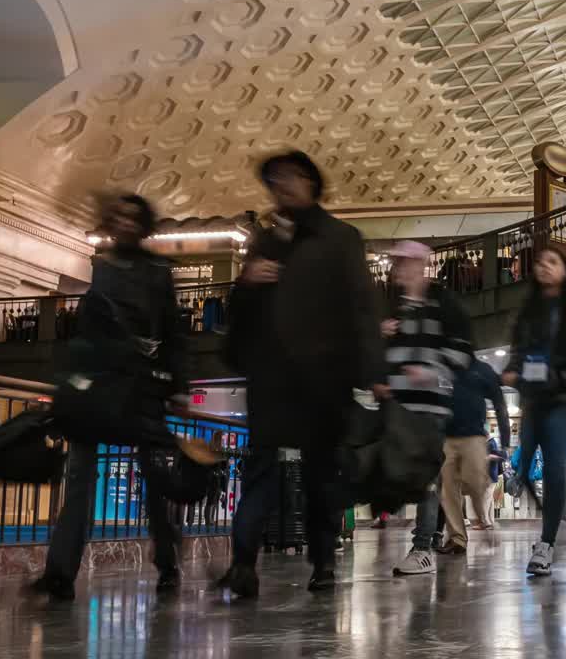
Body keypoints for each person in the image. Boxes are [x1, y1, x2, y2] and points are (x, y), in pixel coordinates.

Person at [214, 151, 383, 598]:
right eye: (274, 180)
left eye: (290, 177)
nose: (282, 186)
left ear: (311, 181)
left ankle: (323, 561)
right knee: (260, 467)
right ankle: (243, 563)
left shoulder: (340, 239)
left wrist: (372, 372)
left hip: (323, 378)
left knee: (321, 474)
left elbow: (363, 308)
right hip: (271, 377)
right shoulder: (265, 242)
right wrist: (247, 283)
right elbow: (239, 313)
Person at [29, 195, 196, 602]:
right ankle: (60, 573)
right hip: (100, 385)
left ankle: (168, 563)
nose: (123, 223)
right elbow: (89, 328)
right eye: (116, 216)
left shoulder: (158, 270)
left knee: (154, 479)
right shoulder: (101, 266)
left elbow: (173, 331)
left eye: (131, 217)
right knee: (80, 479)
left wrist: (179, 386)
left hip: (141, 387)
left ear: (143, 225)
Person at [502, 246, 566, 576]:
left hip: (562, 400)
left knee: (554, 466)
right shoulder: (527, 311)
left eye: (552, 262)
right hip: (533, 400)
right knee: (523, 465)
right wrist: (513, 371)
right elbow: (518, 353)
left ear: (565, 271)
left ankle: (546, 543)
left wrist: (561, 377)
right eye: (539, 263)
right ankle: (552, 527)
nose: (543, 267)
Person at [383, 240, 473, 576]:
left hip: (431, 407)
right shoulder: (393, 307)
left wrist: (430, 372)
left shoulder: (443, 304)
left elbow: (463, 354)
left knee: (425, 476)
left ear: (422, 265)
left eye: (407, 263)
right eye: (397, 264)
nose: (400, 270)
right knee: (401, 472)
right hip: (398, 406)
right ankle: (424, 539)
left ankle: (423, 546)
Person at [438, 355, 510, 552]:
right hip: (448, 438)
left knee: (475, 484)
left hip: (474, 438)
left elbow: (498, 401)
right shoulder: (444, 367)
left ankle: (485, 525)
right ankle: (457, 539)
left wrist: (505, 438)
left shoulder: (481, 370)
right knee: (448, 490)